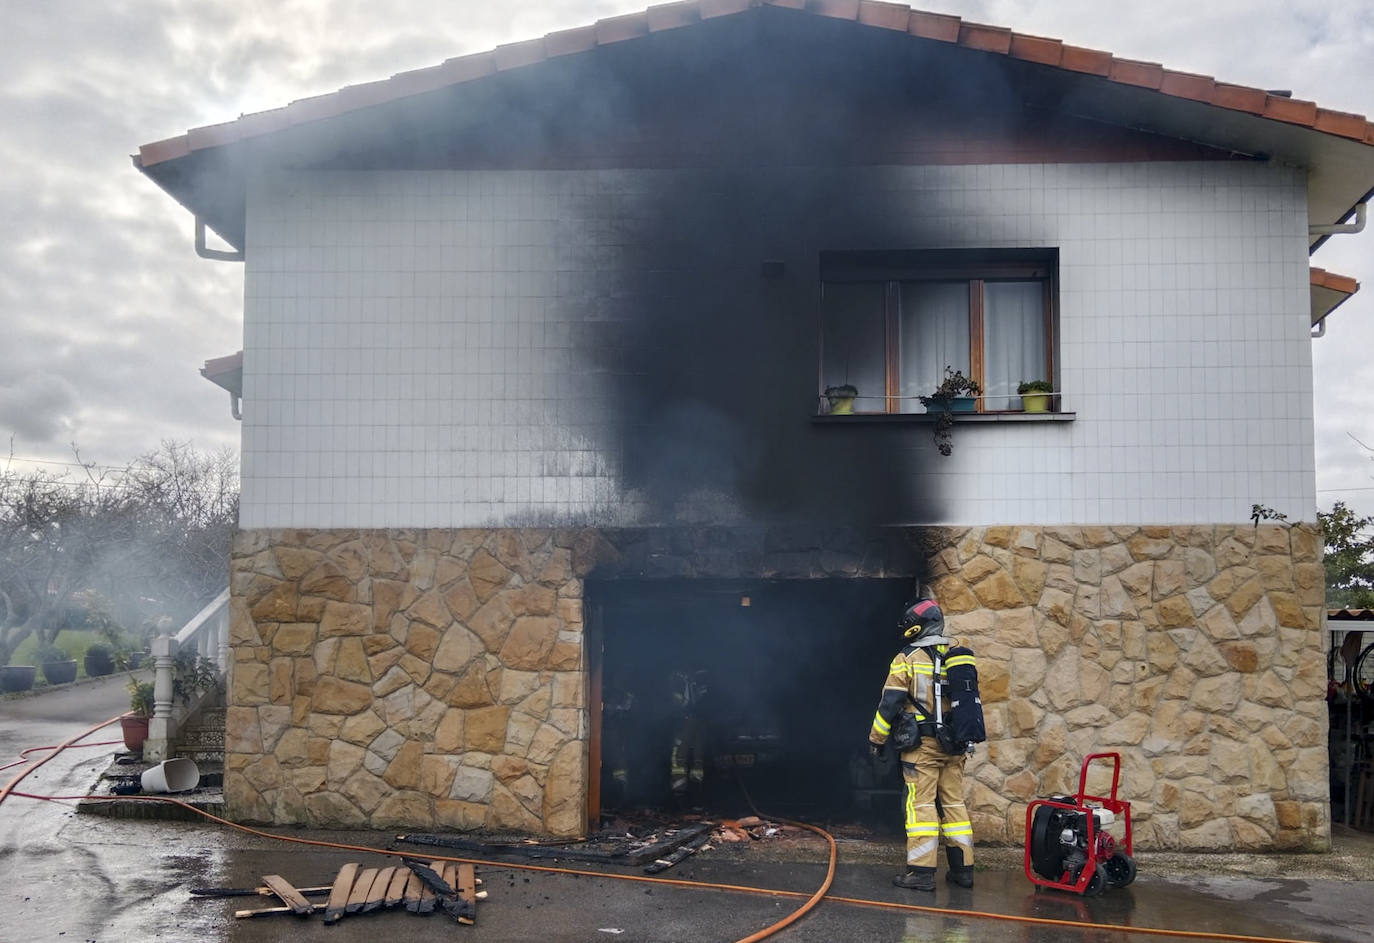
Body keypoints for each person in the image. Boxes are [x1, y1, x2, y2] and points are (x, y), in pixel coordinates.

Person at [868, 595, 975, 891]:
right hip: (954, 746)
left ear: (918, 626)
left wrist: (876, 740)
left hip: (922, 748)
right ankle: (963, 871)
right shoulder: (956, 656)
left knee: (921, 806)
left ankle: (921, 873)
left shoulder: (908, 659)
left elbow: (889, 705)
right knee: (953, 803)